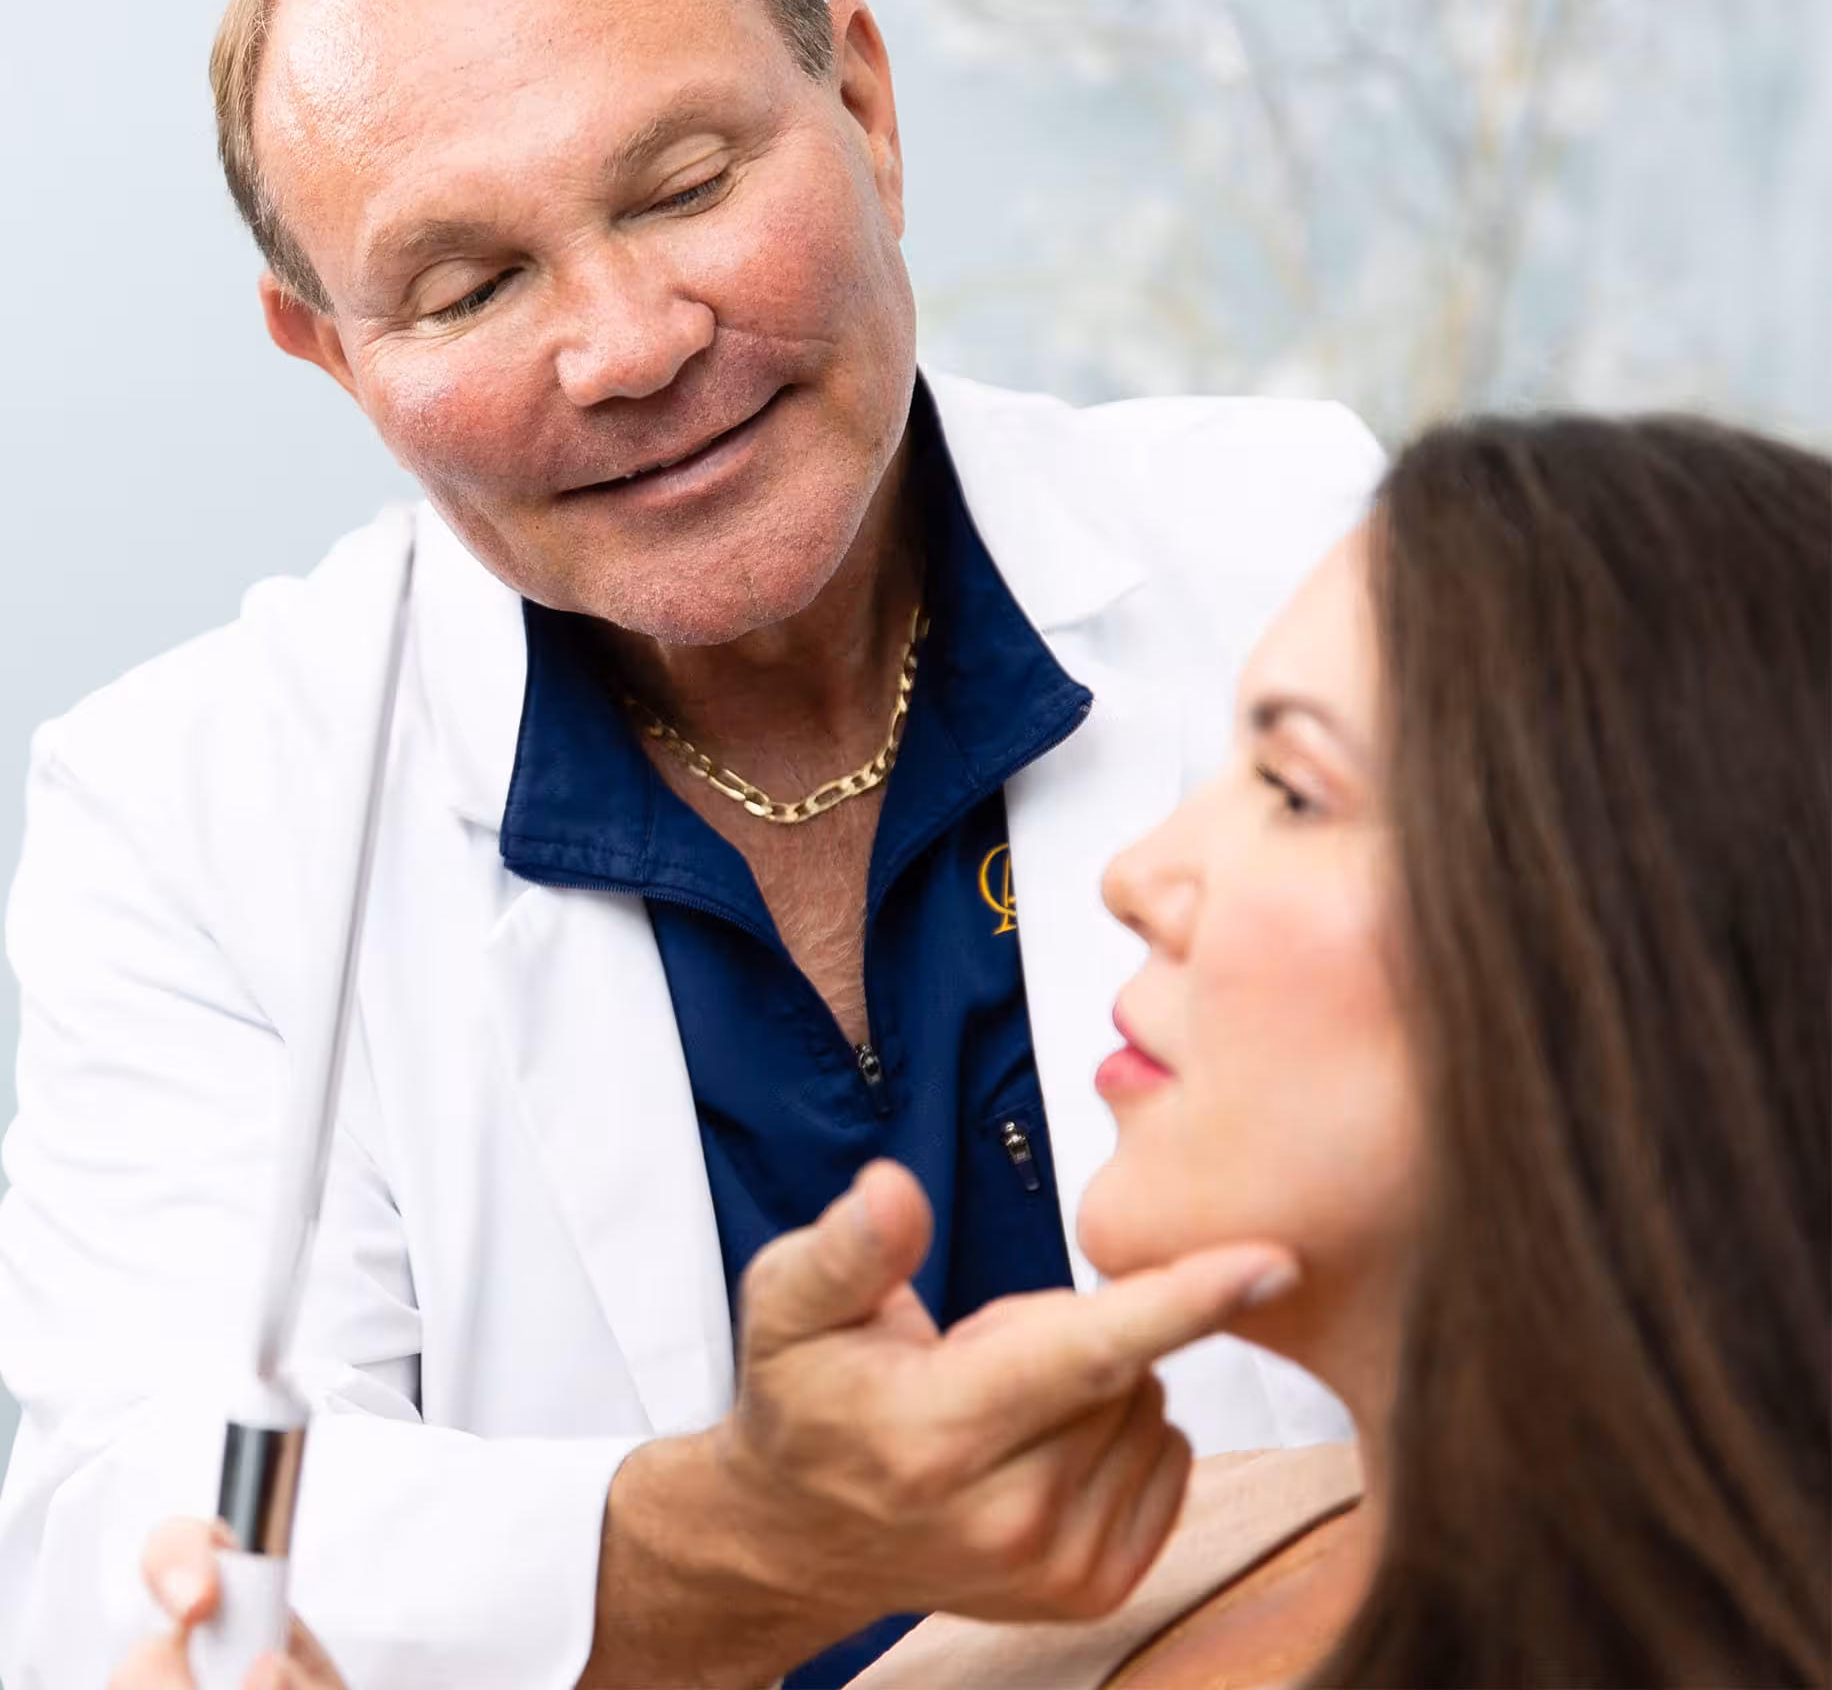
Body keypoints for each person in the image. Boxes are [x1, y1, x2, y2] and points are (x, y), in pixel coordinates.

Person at [0, 0, 1382, 1686]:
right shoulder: (187, 812)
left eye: (688, 186)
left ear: (867, 116)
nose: (634, 346)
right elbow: (145, 1526)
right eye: (469, 284)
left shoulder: (1310, 561)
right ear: (330, 353)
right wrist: (751, 1539)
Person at [117, 410, 1832, 1689]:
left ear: (1641, 943)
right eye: (473, 281)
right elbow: (122, 1540)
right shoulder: (1070, 1623)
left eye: (1294, 787)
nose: (1143, 871)